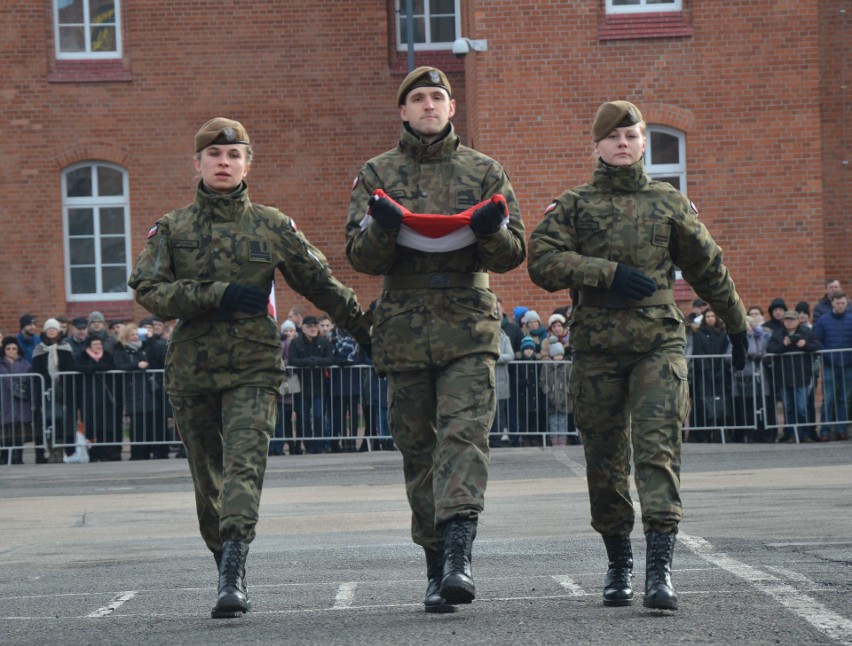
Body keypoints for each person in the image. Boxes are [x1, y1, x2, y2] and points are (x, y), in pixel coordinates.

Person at [128, 117, 371, 619]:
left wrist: (367, 328)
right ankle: (224, 561)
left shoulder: (272, 224)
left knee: (243, 468)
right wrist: (214, 295)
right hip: (192, 369)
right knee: (207, 480)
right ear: (197, 163)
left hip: (253, 368)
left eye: (234, 155)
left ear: (247, 164)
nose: (224, 162)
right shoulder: (173, 228)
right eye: (214, 155)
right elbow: (148, 290)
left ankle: (234, 566)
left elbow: (319, 282)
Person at [527, 100, 748, 611]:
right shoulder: (575, 205)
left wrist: (736, 324)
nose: (622, 143)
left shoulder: (668, 202)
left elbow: (708, 266)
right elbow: (541, 261)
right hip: (598, 347)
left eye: (631, 135)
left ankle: (660, 570)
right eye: (612, 137)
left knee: (657, 452)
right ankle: (619, 562)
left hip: (657, 341)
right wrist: (605, 272)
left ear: (643, 142)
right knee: (605, 462)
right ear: (597, 146)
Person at [345, 66, 526, 612]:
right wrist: (380, 224)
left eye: (437, 98)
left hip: (469, 324)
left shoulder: (484, 171)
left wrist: (492, 230)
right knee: (419, 449)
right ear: (403, 111)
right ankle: (433, 562)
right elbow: (359, 256)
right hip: (403, 325)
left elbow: (515, 252)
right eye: (418, 98)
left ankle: (458, 554)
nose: (428, 105)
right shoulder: (377, 174)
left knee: (464, 437)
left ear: (452, 109)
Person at [113, 325, 166, 460]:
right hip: (133, 390)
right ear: (125, 337)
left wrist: (151, 338)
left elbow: (157, 353)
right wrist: (136, 366)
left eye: (137, 334)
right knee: (137, 424)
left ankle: (151, 451)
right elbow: (119, 365)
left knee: (150, 423)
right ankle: (137, 453)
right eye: (132, 335)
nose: (135, 337)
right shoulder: (121, 350)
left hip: (148, 390)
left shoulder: (144, 348)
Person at [766, 311, 821, 442]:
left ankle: (806, 433)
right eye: (786, 320)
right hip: (783, 376)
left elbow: (817, 346)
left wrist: (805, 345)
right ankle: (791, 434)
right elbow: (770, 349)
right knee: (788, 407)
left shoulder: (806, 332)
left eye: (791, 319)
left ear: (797, 321)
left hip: (802, 376)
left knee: (802, 407)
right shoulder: (778, 334)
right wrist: (783, 345)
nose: (789, 322)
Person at [287, 315, 334, 454]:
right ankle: (309, 445)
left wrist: (317, 361)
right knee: (303, 417)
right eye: (310, 326)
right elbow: (292, 360)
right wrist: (307, 361)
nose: (313, 329)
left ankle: (320, 444)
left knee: (319, 416)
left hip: (319, 386)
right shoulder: (296, 342)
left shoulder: (323, 341)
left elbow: (330, 359)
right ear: (303, 328)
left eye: (315, 326)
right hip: (301, 387)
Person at [31, 318, 76, 462]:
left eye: (54, 328)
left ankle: (61, 451)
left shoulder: (66, 347)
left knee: (62, 420)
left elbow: (69, 367)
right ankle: (49, 451)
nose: (51, 331)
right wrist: (47, 381)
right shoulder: (39, 349)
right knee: (46, 420)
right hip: (44, 389)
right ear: (45, 331)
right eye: (49, 328)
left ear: (59, 331)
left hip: (62, 390)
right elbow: (37, 369)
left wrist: (59, 380)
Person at [812, 291, 852, 441]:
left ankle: (841, 429)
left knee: (844, 399)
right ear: (832, 303)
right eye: (837, 303)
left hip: (848, 365)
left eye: (843, 303)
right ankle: (825, 430)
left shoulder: (851, 319)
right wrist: (828, 356)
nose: (840, 306)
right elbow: (818, 341)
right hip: (829, 365)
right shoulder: (823, 320)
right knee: (828, 399)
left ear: (846, 304)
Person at [0, 337, 34, 465]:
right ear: (4, 350)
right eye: (8, 349)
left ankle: (18, 457)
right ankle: (4, 457)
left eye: (14, 349)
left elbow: (30, 381)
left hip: (20, 402)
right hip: (4, 401)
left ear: (18, 350)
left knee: (19, 434)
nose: (11, 351)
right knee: (5, 432)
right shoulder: (0, 364)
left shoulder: (25, 364)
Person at [539, 341, 571, 446]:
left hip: (564, 399)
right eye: (557, 355)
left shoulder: (567, 366)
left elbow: (570, 381)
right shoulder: (546, 366)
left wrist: (566, 391)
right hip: (550, 399)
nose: (559, 357)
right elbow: (542, 381)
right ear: (552, 355)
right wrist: (549, 392)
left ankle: (562, 442)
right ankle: (554, 442)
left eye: (561, 355)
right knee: (553, 422)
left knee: (562, 422)